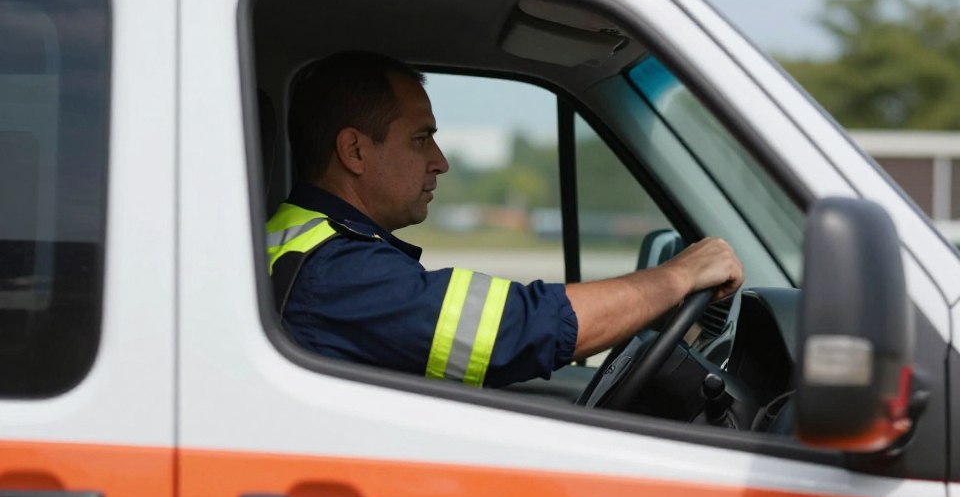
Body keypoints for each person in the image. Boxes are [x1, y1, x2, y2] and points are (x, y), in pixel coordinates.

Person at [266, 51, 743, 388]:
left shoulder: (307, 239)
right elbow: (509, 332)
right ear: (354, 150)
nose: (440, 161)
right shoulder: (336, 271)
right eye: (420, 138)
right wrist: (677, 277)